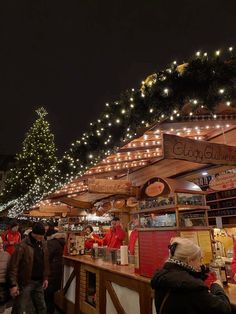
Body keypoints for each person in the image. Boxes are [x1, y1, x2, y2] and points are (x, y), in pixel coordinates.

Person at [151, 237, 231, 314]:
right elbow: (224, 309)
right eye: (199, 260)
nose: (201, 264)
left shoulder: (163, 277)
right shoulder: (192, 287)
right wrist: (217, 287)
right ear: (189, 261)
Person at [7, 222, 49, 314]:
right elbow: (13, 266)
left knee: (42, 308)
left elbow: (45, 261)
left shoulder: (43, 243)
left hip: (39, 282)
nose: (42, 237)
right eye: (40, 235)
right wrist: (13, 285)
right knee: (20, 308)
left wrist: (45, 277)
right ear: (34, 233)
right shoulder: (23, 245)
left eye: (43, 235)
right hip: (25, 282)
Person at [45, 231, 66, 314]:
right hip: (56, 275)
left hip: (50, 274)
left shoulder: (51, 243)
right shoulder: (61, 243)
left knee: (47, 298)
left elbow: (46, 258)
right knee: (50, 298)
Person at [0, 237, 10, 314]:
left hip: (3, 286)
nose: (1, 245)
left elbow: (11, 270)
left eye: (1, 243)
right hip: (3, 285)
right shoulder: (7, 255)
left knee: (2, 306)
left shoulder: (7, 255)